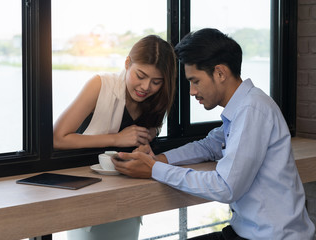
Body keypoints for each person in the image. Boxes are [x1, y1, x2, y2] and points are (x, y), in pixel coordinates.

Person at [112, 28, 315, 240]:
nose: (191, 91)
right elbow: (209, 146)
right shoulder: (244, 107)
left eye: (195, 81)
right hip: (245, 232)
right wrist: (158, 159)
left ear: (220, 73)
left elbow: (226, 187)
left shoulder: (252, 110)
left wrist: (154, 169)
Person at [53, 35, 177, 240]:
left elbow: (146, 142)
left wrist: (145, 148)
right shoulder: (100, 85)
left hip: (129, 196)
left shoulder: (157, 99)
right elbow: (58, 138)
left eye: (156, 81)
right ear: (127, 63)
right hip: (88, 192)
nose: (146, 87)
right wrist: (116, 139)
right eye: (140, 75)